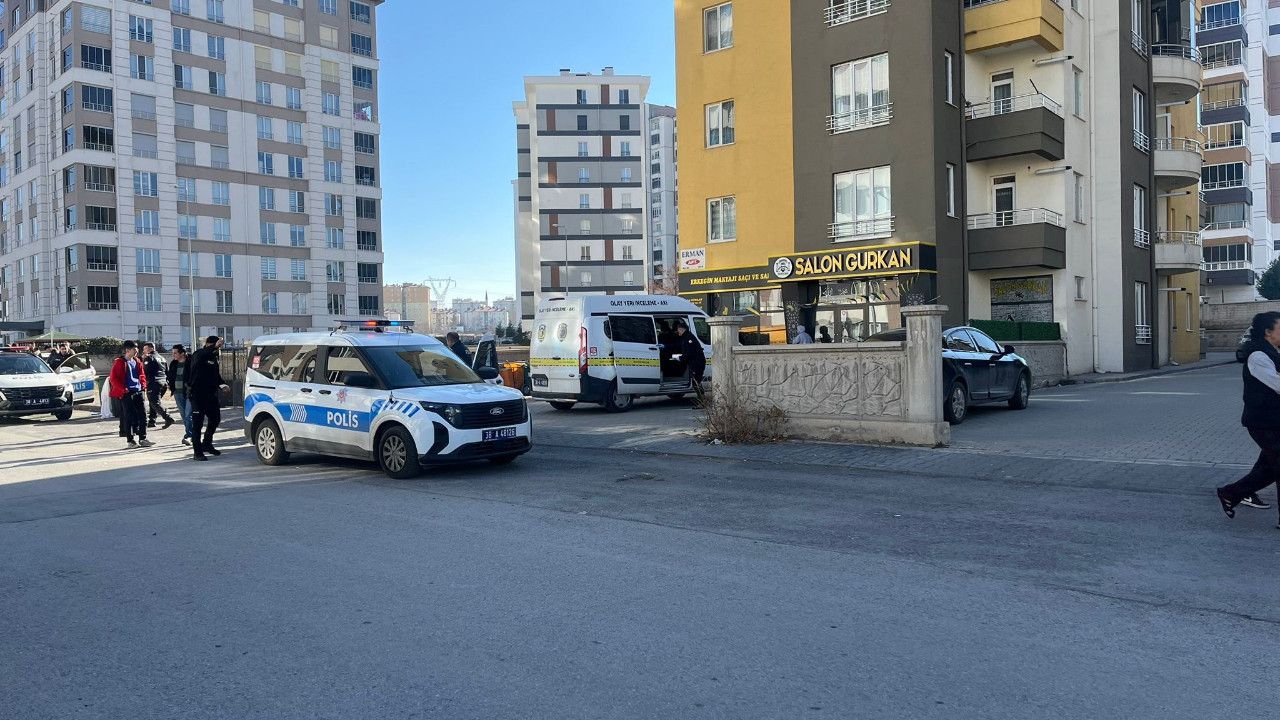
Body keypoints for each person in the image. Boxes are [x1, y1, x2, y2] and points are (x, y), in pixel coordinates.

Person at [1216, 311, 1280, 521]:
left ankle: (1231, 494)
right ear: (1268, 332)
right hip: (1263, 422)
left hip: (1274, 419)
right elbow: (1277, 384)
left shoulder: (1273, 351)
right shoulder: (1258, 356)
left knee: (1268, 468)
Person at [188, 335, 228, 461]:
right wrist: (215, 346)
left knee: (215, 419)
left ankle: (207, 443)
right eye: (216, 347)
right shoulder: (199, 354)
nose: (217, 350)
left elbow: (215, 375)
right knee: (197, 424)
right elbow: (203, 354)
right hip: (198, 395)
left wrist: (223, 385)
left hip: (210, 395)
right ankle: (197, 452)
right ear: (208, 345)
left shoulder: (213, 358)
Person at [108, 341, 153, 449]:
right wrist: (124, 389)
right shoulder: (119, 362)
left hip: (138, 391)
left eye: (137, 349)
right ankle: (130, 440)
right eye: (134, 349)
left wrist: (142, 386)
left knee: (143, 415)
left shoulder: (137, 361)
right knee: (129, 416)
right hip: (127, 393)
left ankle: (143, 438)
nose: (136, 351)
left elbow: (142, 375)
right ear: (127, 350)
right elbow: (114, 378)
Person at [140, 342, 174, 430]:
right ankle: (152, 420)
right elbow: (167, 371)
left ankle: (168, 418)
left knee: (154, 402)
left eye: (145, 349)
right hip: (163, 382)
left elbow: (145, 371)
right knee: (154, 402)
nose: (144, 351)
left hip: (154, 382)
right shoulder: (162, 358)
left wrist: (143, 360)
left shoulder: (149, 358)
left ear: (151, 348)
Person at [167, 344, 194, 446]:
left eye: (175, 353)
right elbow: (170, 376)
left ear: (182, 353)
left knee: (188, 414)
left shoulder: (191, 362)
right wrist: (171, 386)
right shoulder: (174, 363)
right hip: (177, 392)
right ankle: (191, 434)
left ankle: (189, 435)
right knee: (183, 415)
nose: (173, 355)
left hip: (189, 392)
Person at [675, 321, 706, 395]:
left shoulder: (689, 338)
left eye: (678, 330)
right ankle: (702, 399)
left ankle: (702, 399)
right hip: (695, 363)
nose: (678, 332)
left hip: (697, 363)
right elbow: (678, 345)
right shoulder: (686, 337)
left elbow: (690, 353)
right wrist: (666, 346)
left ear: (682, 330)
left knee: (696, 383)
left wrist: (681, 358)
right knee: (696, 382)